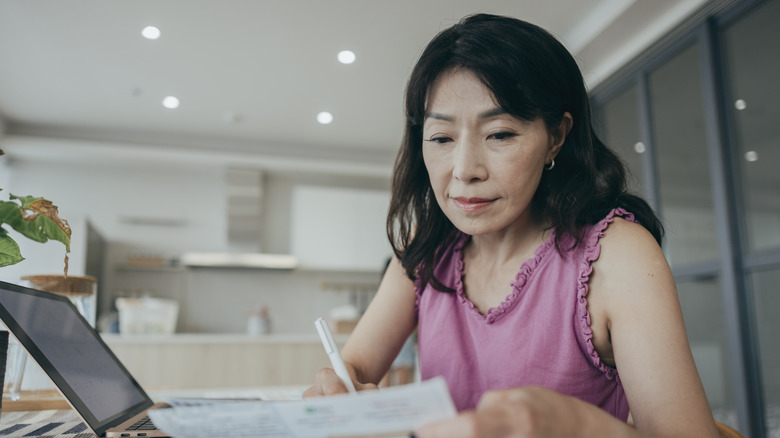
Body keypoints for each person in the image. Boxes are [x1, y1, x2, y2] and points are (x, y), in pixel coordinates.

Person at [304, 13, 719, 438]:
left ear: (556, 137)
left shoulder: (617, 256)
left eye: (500, 134)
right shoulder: (426, 247)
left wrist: (576, 426)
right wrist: (337, 386)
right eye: (442, 138)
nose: (464, 170)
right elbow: (353, 366)